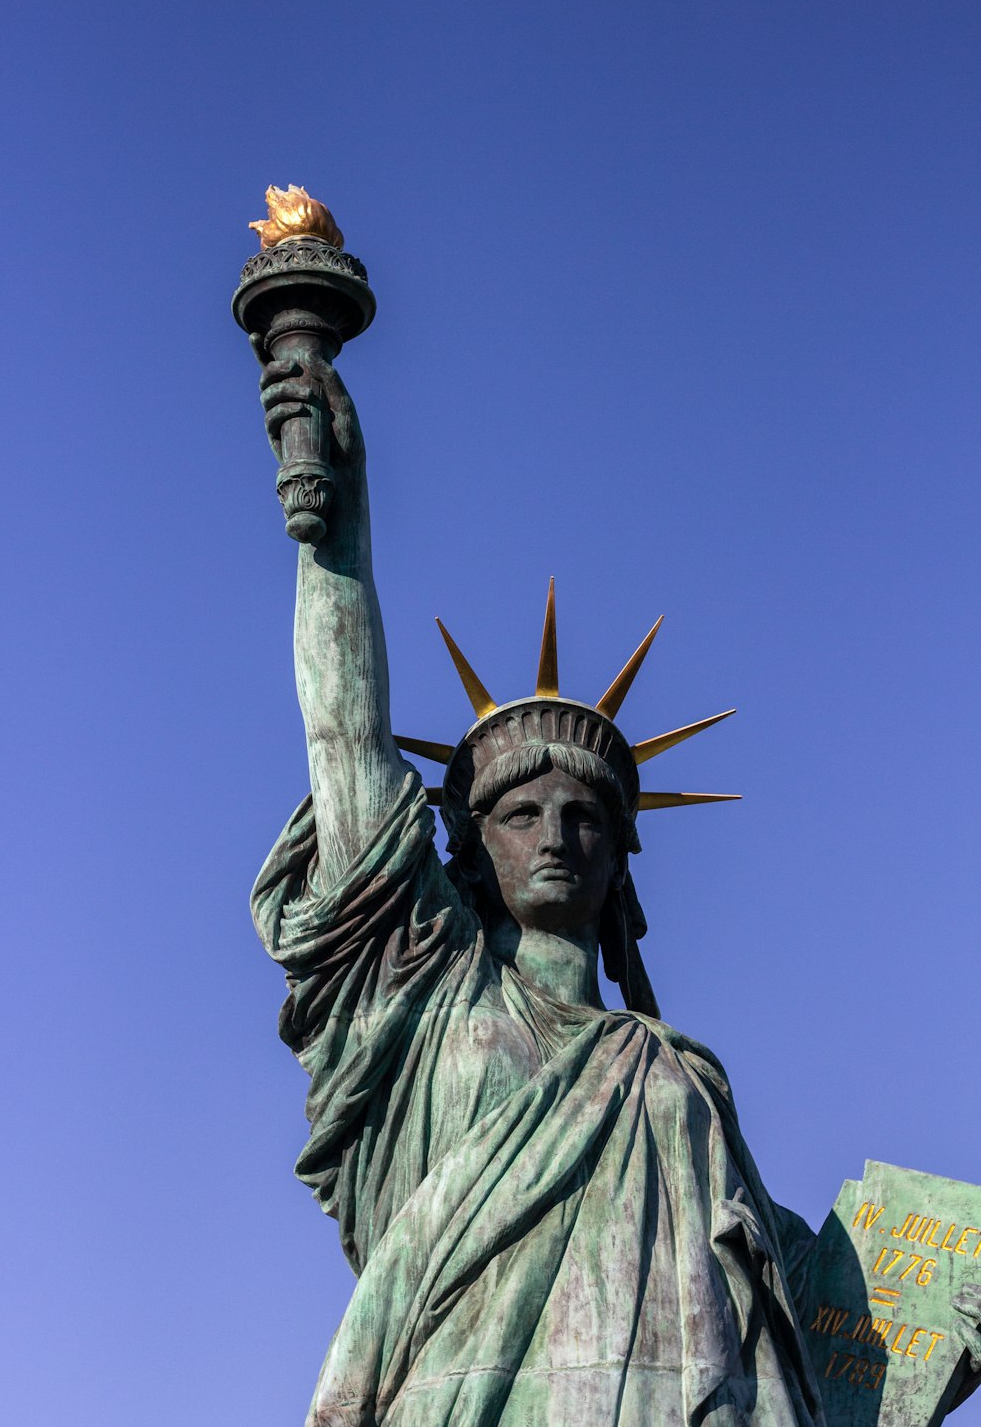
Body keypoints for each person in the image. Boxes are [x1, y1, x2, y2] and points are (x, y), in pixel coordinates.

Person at [247, 347, 974, 1426]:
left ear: (621, 862)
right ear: (469, 845)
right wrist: (340, 531)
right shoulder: (429, 995)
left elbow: (792, 1303)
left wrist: (943, 1290)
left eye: (587, 817)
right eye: (521, 813)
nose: (556, 835)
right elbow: (344, 740)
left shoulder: (676, 1075)